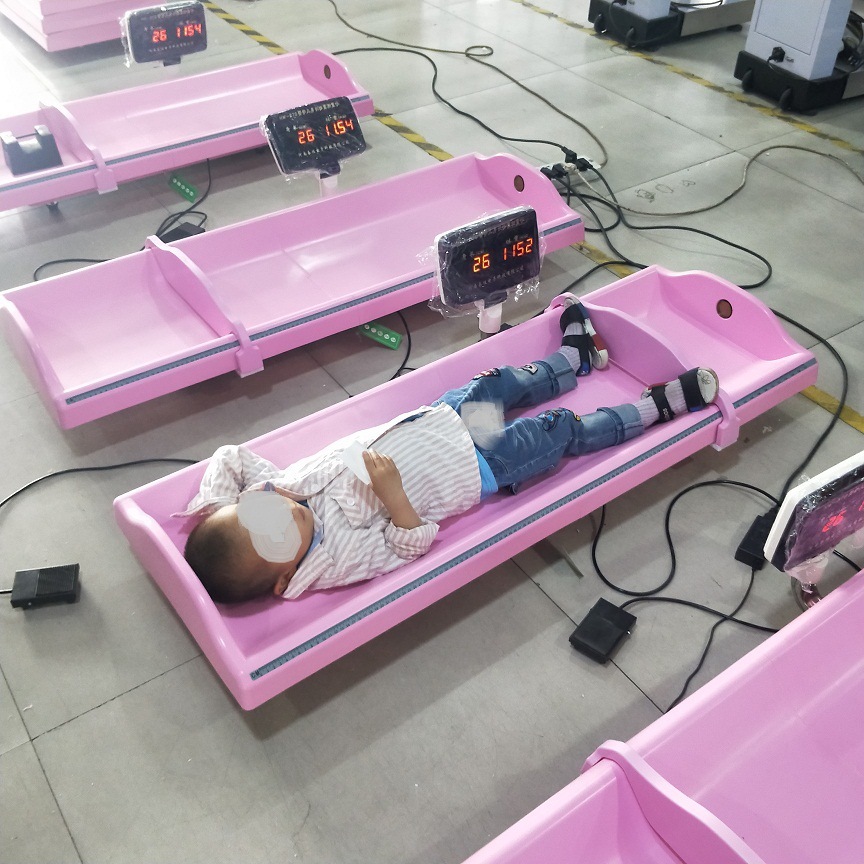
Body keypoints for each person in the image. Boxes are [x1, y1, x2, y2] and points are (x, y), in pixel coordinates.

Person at [182, 297, 719, 604]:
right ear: (285, 578)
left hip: (448, 421)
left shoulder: (277, 489)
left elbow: (230, 455)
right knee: (559, 431)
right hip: (482, 462)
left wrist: (215, 507)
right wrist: (393, 497)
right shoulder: (336, 560)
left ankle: (572, 360)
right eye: (274, 535)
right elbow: (409, 546)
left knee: (503, 382)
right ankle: (651, 410)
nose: (279, 512)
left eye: (259, 512)